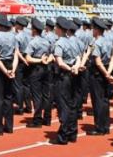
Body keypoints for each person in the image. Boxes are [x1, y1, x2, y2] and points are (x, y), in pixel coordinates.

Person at [49, 17, 80, 145]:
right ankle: (73, 132)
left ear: (59, 29)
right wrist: (75, 67)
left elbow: (60, 62)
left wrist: (69, 69)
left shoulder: (59, 43)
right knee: (72, 105)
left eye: (56, 27)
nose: (55, 29)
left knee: (63, 106)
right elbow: (78, 57)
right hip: (73, 76)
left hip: (63, 76)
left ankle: (63, 135)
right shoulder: (72, 42)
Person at [25, 18, 53, 128]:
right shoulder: (46, 41)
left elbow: (28, 58)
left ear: (34, 30)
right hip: (47, 68)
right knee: (47, 94)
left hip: (36, 69)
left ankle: (37, 120)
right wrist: (46, 60)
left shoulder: (33, 42)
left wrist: (39, 60)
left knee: (37, 95)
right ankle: (47, 118)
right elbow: (52, 54)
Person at [13, 17, 31, 114]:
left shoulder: (18, 36)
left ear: (18, 25)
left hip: (21, 60)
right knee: (27, 85)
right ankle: (28, 106)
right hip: (29, 59)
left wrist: (23, 60)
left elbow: (17, 51)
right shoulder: (29, 34)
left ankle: (20, 108)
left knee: (18, 85)